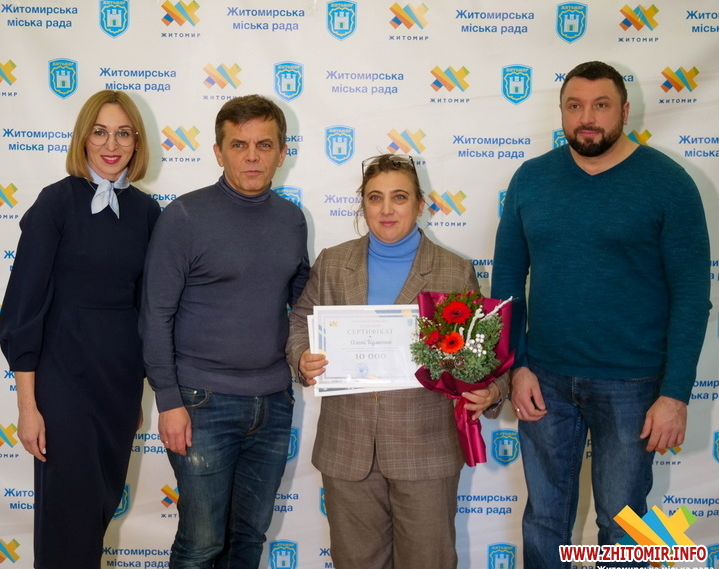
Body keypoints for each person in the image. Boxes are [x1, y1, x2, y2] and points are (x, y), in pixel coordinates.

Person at [492, 61, 711, 568]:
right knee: (544, 520)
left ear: (625, 112)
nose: (586, 118)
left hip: (633, 386)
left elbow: (691, 296)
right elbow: (506, 287)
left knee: (623, 523)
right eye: (575, 106)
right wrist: (517, 365)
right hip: (544, 380)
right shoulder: (531, 179)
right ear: (561, 112)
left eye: (601, 105)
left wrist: (675, 394)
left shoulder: (668, 183)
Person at [287, 154, 510, 569]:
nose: (386, 209)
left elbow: (487, 354)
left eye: (399, 197)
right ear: (363, 204)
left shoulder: (453, 270)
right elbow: (300, 320)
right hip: (347, 447)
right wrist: (301, 356)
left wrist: (492, 391)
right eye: (375, 198)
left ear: (420, 204)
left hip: (426, 449)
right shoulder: (333, 263)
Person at [139, 94, 310, 569]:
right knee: (200, 545)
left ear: (282, 152)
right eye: (239, 145)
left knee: (248, 540)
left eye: (264, 145)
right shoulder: (184, 217)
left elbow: (303, 302)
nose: (252, 156)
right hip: (201, 403)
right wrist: (169, 401)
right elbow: (155, 316)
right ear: (218, 152)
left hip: (273, 402)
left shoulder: (292, 219)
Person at [0, 90, 161, 569]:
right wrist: (28, 407)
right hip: (63, 384)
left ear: (137, 142)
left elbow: (145, 310)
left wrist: (135, 394)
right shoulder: (56, 202)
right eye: (100, 132)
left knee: (97, 513)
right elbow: (23, 309)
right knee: (67, 519)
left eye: (124, 133)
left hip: (118, 385)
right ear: (83, 138)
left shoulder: (147, 212)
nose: (112, 145)